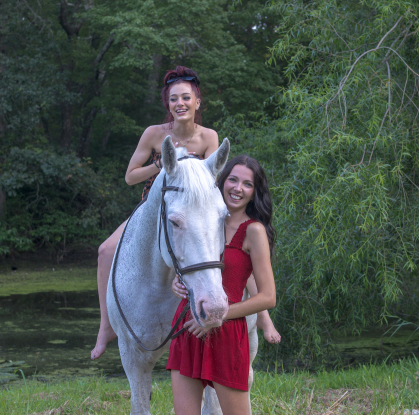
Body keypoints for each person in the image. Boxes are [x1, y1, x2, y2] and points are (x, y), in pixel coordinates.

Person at [90, 68, 280, 360]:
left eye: (186, 98)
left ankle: (263, 315)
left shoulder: (208, 136)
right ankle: (106, 326)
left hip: (196, 210)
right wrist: (161, 164)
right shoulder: (154, 134)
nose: (180, 103)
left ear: (197, 102)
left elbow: (214, 179)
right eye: (174, 99)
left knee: (235, 251)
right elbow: (130, 176)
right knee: (105, 251)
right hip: (154, 209)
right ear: (168, 104)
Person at [162, 155, 275, 415]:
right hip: (189, 327)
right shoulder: (201, 216)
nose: (237, 188)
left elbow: (267, 296)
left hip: (225, 334)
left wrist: (220, 316)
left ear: (254, 192)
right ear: (221, 181)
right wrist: (180, 284)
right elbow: (181, 260)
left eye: (247, 184)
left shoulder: (252, 231)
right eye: (233, 180)